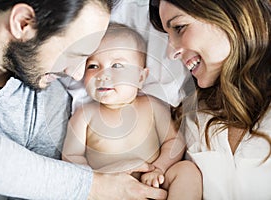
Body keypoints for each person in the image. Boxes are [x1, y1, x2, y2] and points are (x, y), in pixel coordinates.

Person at [0, 0, 169, 199]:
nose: (76, 75)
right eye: (72, 54)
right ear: (22, 22)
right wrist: (94, 187)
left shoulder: (50, 101)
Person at [62, 23, 202, 200]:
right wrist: (101, 175)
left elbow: (174, 141)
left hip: (154, 183)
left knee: (187, 171)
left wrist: (159, 168)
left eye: (117, 65)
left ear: (141, 77)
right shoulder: (84, 115)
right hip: (110, 191)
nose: (102, 75)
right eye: (93, 66)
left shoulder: (152, 106)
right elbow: (70, 157)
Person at [149, 0, 271, 199]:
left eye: (179, 28)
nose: (171, 53)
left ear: (231, 12)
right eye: (168, 35)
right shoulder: (191, 118)